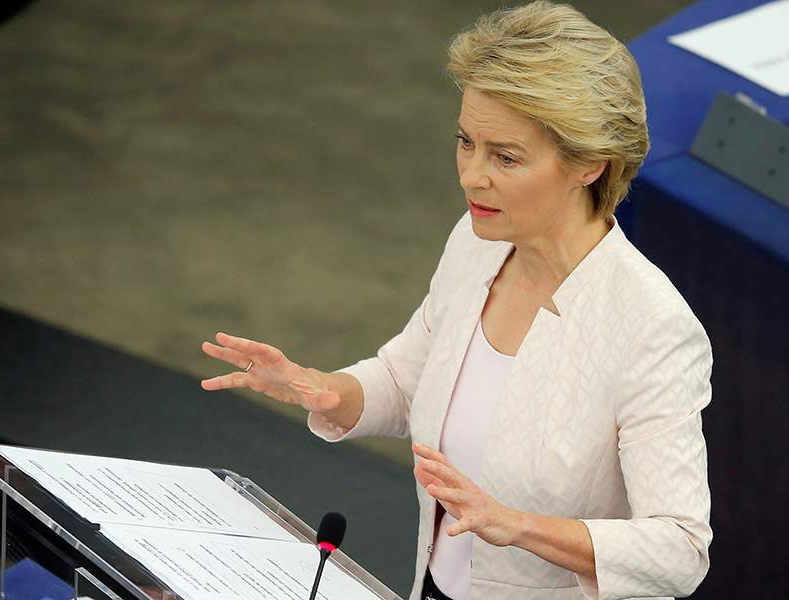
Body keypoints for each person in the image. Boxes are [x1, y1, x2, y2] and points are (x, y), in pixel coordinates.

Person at [200, 2, 712, 599]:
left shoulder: (652, 328)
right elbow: (408, 379)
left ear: (590, 165)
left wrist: (518, 526)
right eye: (466, 142)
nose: (471, 176)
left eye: (506, 157)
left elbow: (680, 548)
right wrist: (323, 389)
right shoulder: (477, 244)